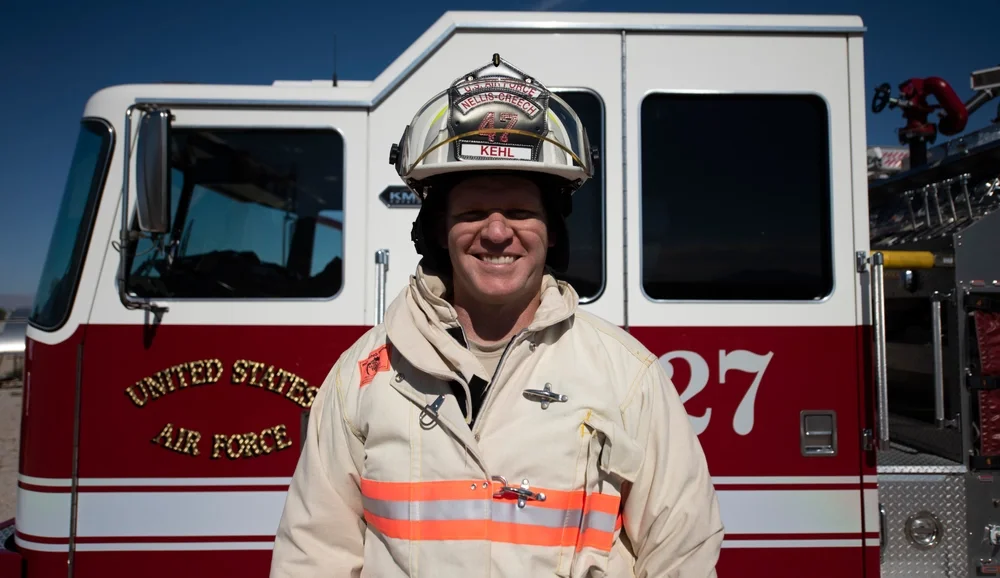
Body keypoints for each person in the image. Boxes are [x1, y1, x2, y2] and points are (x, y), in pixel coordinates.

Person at [269, 54, 724, 578]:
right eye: (471, 213)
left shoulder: (626, 377)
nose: (497, 232)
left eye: (521, 211)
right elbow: (313, 554)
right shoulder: (364, 375)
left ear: (552, 232)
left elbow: (682, 552)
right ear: (439, 232)